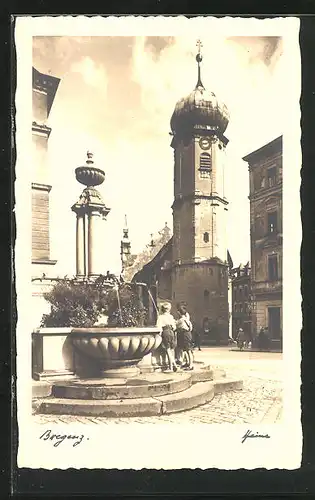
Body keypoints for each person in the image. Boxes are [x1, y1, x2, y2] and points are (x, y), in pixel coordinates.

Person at [156, 303, 178, 372]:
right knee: (171, 349)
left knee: (168, 350)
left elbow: (158, 327)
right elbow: (174, 327)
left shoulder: (160, 317)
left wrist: (159, 335)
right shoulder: (171, 316)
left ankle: (171, 367)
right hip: (171, 332)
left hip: (165, 332)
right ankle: (173, 365)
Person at [176, 306, 194, 370]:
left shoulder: (181, 320)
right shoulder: (187, 320)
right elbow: (191, 328)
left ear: (179, 313)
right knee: (186, 350)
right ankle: (188, 363)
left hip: (184, 335)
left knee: (188, 350)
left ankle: (191, 365)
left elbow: (176, 326)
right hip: (188, 334)